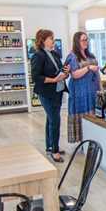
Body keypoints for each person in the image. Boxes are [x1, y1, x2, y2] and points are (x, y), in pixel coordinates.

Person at [31, 28, 69, 162]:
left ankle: (50, 146)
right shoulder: (38, 55)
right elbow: (36, 77)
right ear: (43, 40)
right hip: (46, 93)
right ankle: (55, 151)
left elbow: (59, 71)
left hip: (57, 91)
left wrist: (66, 72)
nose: (53, 40)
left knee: (51, 119)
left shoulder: (55, 54)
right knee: (55, 120)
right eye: (51, 38)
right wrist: (54, 80)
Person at [64, 31, 101, 143]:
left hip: (92, 89)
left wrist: (100, 88)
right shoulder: (72, 56)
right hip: (79, 91)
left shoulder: (91, 55)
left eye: (87, 39)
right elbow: (74, 74)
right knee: (81, 112)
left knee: (93, 112)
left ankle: (93, 138)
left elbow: (97, 74)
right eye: (83, 40)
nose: (86, 42)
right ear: (77, 41)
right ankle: (82, 140)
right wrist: (88, 67)